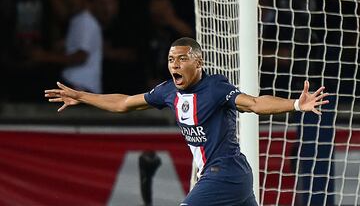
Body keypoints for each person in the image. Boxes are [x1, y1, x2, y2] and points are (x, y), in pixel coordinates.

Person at [45, 37, 329, 206]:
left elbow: (254, 104)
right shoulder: (167, 91)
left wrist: (295, 104)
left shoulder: (216, 87)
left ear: (198, 63)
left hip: (226, 171)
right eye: (171, 60)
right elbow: (124, 102)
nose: (174, 65)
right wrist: (82, 96)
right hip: (228, 176)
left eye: (181, 59)